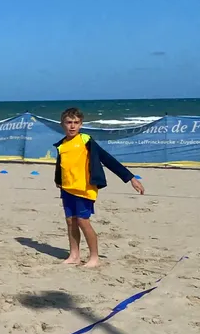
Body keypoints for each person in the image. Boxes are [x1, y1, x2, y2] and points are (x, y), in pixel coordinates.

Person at [54, 107, 145, 268]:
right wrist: (58, 180)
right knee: (70, 221)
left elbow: (107, 158)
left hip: (84, 188)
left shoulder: (85, 140)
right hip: (67, 188)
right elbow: (61, 165)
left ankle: (94, 257)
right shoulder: (62, 145)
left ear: (81, 124)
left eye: (76, 122)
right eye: (69, 123)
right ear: (62, 124)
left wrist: (130, 177)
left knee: (83, 221)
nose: (72, 126)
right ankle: (74, 255)